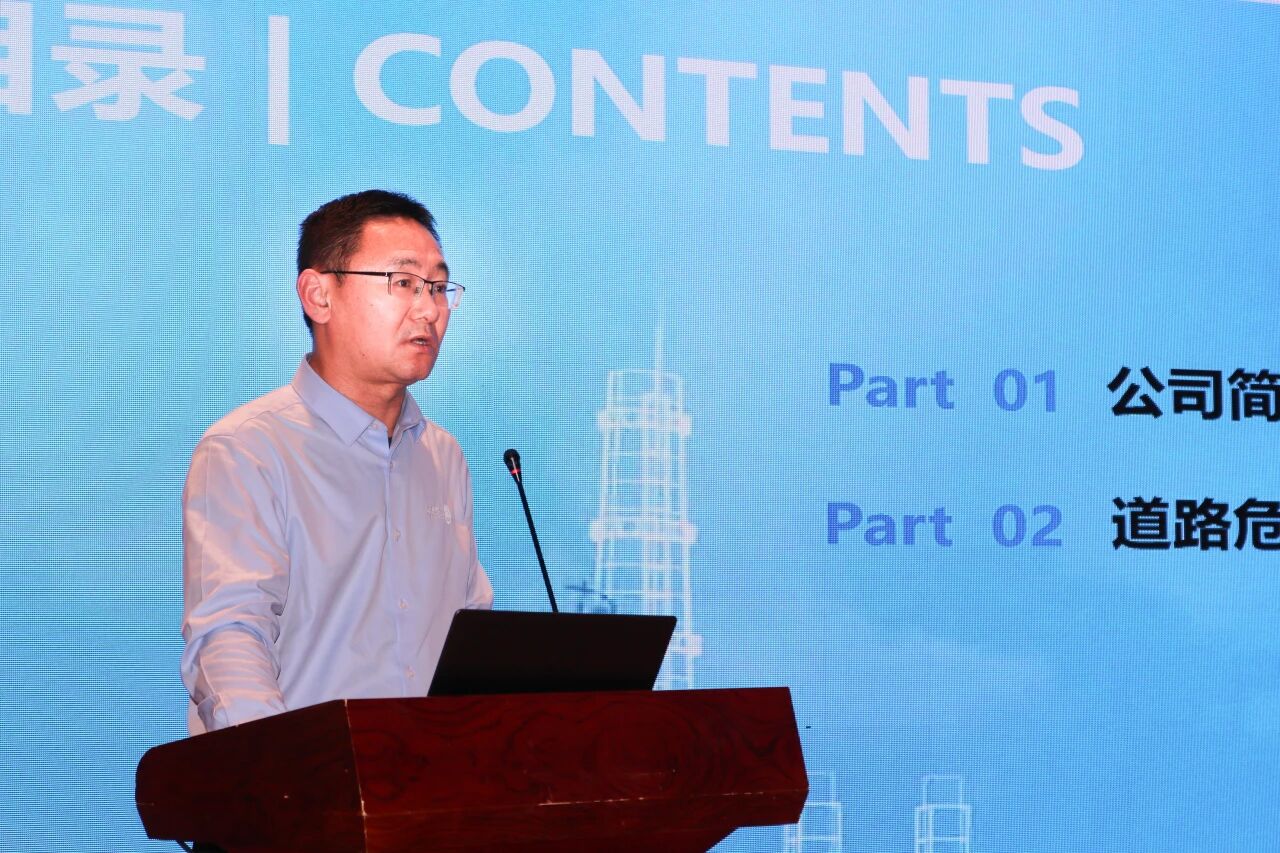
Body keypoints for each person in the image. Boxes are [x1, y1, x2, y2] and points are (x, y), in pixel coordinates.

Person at [180, 190, 493, 735]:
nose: (429, 309)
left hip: (433, 779)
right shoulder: (248, 449)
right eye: (403, 283)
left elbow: (469, 635)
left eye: (439, 287)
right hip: (302, 780)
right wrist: (279, 766)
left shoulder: (442, 456)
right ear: (318, 295)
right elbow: (229, 642)